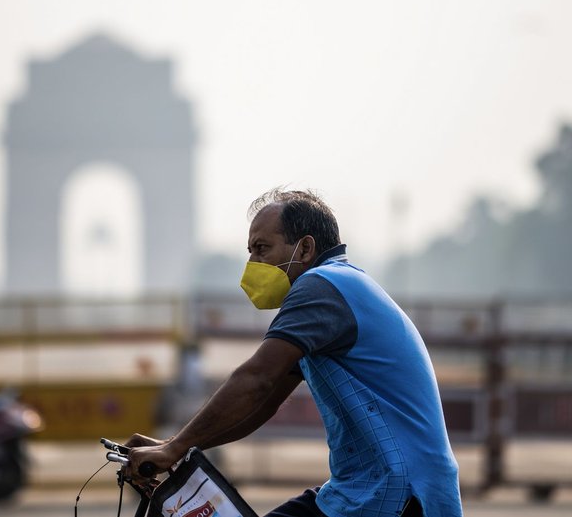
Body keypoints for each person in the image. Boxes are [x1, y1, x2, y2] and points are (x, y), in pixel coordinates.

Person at [126, 188, 463, 517]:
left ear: (304, 248)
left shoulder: (320, 287)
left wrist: (174, 448)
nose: (252, 264)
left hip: (399, 490)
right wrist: (175, 446)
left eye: (262, 249)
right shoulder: (338, 287)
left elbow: (256, 378)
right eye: (250, 251)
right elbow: (263, 403)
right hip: (363, 488)